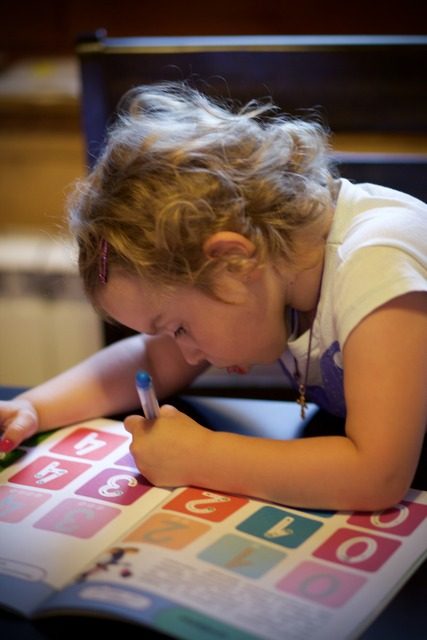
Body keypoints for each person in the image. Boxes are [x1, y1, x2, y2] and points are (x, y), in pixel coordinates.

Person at [1, 82, 426, 511]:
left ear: (233, 261)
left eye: (179, 328)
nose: (186, 353)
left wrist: (200, 457)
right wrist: (34, 408)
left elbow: (377, 475)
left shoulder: (377, 268)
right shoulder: (267, 270)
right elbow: (150, 360)